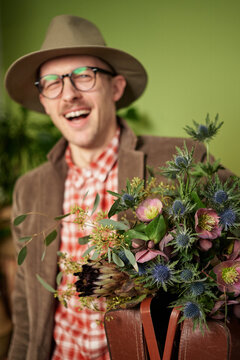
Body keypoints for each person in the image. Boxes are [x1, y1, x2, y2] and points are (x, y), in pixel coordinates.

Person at [5, 15, 214, 360]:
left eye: (84, 76)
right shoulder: (28, 189)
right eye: (53, 83)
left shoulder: (182, 162)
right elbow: (26, 307)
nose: (69, 94)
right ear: (44, 101)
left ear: (116, 88)